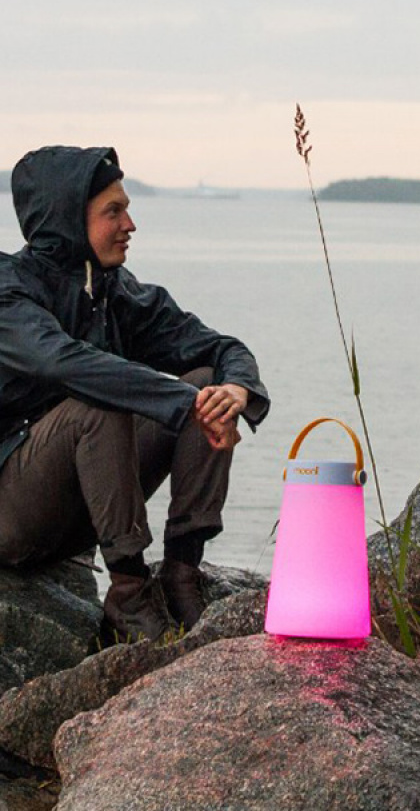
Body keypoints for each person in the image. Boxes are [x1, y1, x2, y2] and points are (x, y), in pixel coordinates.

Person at [0, 146, 269, 641]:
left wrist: (233, 389)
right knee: (96, 403)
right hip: (11, 513)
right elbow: (61, 361)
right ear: (67, 219)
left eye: (126, 208)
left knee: (206, 384)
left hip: (76, 516)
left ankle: (181, 573)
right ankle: (127, 591)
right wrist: (180, 402)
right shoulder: (8, 289)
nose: (130, 224)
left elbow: (220, 346)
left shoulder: (116, 292)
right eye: (113, 211)